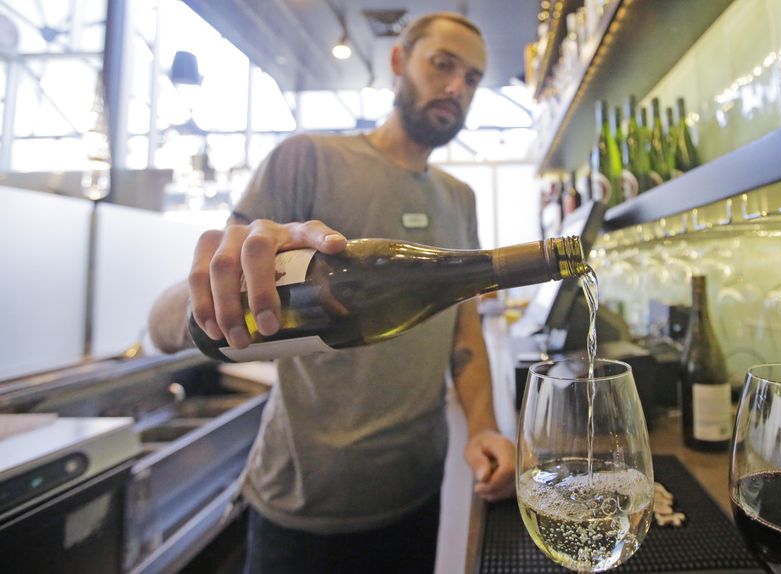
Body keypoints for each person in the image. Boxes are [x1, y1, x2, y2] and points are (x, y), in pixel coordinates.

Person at [148, 11, 515, 574]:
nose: (455, 88)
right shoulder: (307, 160)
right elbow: (171, 320)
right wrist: (205, 299)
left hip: (417, 490)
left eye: (472, 78)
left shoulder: (458, 197)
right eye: (442, 65)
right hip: (303, 510)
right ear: (398, 61)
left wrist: (484, 426)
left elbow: (462, 327)